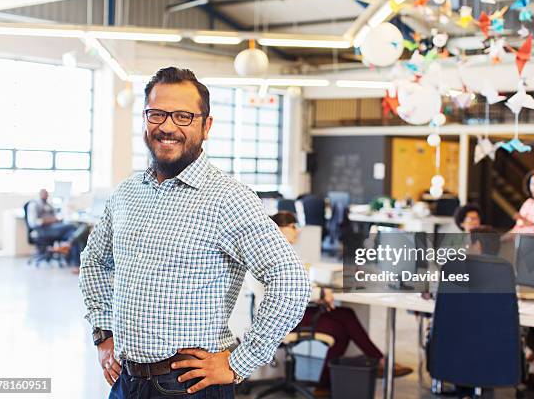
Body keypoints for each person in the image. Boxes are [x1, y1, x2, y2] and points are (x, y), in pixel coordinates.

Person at [79, 67, 310, 399]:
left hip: (187, 387)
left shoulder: (228, 198)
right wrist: (104, 334)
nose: (168, 127)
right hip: (126, 381)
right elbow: (95, 261)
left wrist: (238, 362)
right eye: (157, 114)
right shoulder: (126, 193)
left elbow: (290, 281)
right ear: (144, 119)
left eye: (184, 116)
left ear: (207, 125)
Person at [270, 211, 412, 397]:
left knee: (345, 317)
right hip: (284, 318)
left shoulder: (284, 253)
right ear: (278, 229)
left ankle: (328, 382)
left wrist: (317, 288)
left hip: (294, 311)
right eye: (292, 226)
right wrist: (319, 293)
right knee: (342, 324)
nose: (297, 231)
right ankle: (377, 362)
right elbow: (284, 291)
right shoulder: (275, 257)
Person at [27, 188, 87, 267]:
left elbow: (55, 216)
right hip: (43, 230)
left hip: (54, 228)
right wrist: (49, 220)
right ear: (40, 194)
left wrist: (57, 219)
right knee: (73, 226)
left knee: (73, 234)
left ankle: (75, 262)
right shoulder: (34, 204)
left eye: (47, 194)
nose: (46, 196)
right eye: (44, 194)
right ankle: (69, 243)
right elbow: (33, 222)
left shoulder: (48, 205)